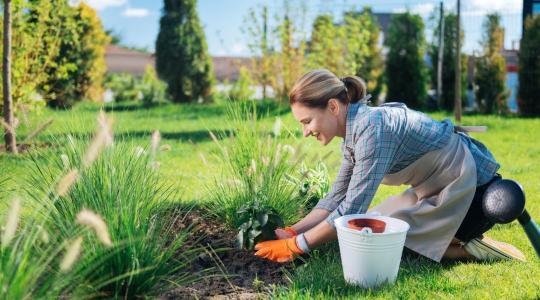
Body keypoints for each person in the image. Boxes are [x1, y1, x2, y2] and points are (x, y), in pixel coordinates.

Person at [253, 69, 526, 263]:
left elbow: (351, 209)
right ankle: (451, 240)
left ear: (333, 107)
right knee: (373, 232)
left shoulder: (373, 130)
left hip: (473, 194)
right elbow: (336, 197)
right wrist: (293, 230)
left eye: (307, 121)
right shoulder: (352, 136)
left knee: (390, 242)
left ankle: (471, 249)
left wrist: (296, 246)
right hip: (438, 188)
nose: (305, 132)